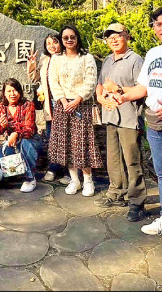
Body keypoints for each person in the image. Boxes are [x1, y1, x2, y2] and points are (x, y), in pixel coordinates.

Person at [117, 6, 162, 255]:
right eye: (158, 24)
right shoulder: (152, 53)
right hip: (154, 122)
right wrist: (121, 96)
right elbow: (143, 88)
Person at [94, 23, 147, 222]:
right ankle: (116, 193)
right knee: (113, 159)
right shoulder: (107, 60)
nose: (113, 39)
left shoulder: (136, 60)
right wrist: (100, 98)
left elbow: (142, 89)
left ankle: (136, 202)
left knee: (132, 161)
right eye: (109, 37)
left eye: (117, 35)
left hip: (129, 118)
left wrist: (118, 89)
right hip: (110, 117)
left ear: (127, 36)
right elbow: (100, 85)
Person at [48, 24, 104, 196]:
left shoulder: (86, 58)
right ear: (62, 40)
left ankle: (88, 181)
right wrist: (64, 101)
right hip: (62, 105)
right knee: (67, 144)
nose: (69, 40)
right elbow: (53, 81)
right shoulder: (56, 59)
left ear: (77, 38)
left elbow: (90, 81)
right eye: (65, 38)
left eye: (72, 37)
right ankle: (75, 180)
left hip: (82, 104)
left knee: (83, 143)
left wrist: (78, 99)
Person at [0, 78, 41, 192]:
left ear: (20, 91)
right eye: (9, 91)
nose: (12, 94)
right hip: (13, 142)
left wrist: (15, 133)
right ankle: (11, 176)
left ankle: (30, 178)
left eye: (15, 90)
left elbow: (29, 129)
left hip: (31, 141)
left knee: (24, 143)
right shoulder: (1, 107)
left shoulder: (28, 105)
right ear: (4, 93)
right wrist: (2, 126)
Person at [27, 33, 65, 183]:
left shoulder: (66, 58)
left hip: (65, 104)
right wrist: (32, 63)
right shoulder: (45, 59)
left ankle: (69, 171)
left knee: (67, 137)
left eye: (54, 42)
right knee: (51, 137)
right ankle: (54, 168)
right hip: (50, 106)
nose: (52, 46)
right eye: (48, 43)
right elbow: (34, 78)